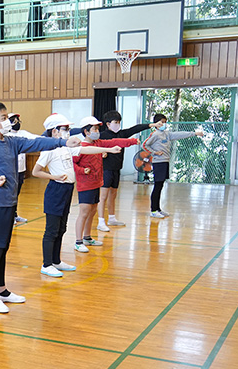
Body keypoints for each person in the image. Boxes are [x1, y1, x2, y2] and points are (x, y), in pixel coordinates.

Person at [0, 101, 81, 314]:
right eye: (3, 118)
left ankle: (1, 290)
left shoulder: (11, 142)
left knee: (3, 248)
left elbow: (36, 144)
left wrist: (62, 142)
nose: (9, 121)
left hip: (9, 203)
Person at [32, 114, 121, 278]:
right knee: (51, 230)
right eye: (64, 129)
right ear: (54, 131)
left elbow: (87, 149)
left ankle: (56, 261)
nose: (68, 132)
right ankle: (46, 264)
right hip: (55, 191)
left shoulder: (66, 147)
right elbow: (35, 171)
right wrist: (54, 177)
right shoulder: (48, 149)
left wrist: (108, 149)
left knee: (62, 228)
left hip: (67, 190)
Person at [71, 116, 139, 253]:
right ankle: (78, 241)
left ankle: (87, 237)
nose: (97, 131)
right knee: (84, 212)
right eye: (94, 129)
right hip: (85, 185)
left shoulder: (98, 143)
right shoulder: (80, 148)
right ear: (86, 132)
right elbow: (72, 164)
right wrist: (82, 170)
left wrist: (131, 141)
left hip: (97, 182)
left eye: (97, 128)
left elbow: (114, 141)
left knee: (92, 211)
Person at [96, 112, 159, 231]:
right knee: (103, 195)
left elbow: (135, 128)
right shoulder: (102, 135)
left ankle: (112, 218)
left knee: (113, 195)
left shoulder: (122, 134)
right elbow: (94, 148)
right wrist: (101, 153)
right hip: (105, 169)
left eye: (119, 122)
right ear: (108, 124)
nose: (117, 125)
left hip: (116, 169)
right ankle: (100, 221)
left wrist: (151, 125)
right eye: (115, 122)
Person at [142, 113, 205, 218]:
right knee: (157, 186)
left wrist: (194, 133)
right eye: (162, 122)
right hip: (158, 163)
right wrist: (154, 152)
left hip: (165, 161)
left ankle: (158, 209)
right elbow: (145, 144)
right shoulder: (155, 134)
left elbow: (180, 134)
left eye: (165, 122)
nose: (164, 124)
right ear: (156, 123)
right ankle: (153, 210)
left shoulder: (167, 134)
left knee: (161, 185)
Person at [6, 112, 39, 224]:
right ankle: (9, 215)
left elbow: (36, 138)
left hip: (21, 169)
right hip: (11, 169)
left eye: (17, 121)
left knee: (17, 193)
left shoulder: (23, 133)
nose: (16, 123)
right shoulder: (7, 135)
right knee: (11, 193)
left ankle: (15, 214)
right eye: (14, 121)